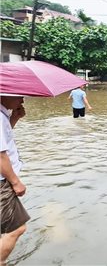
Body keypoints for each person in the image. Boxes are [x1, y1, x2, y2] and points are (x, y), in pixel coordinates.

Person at [0, 96, 30, 264]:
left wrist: (14, 119)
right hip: (2, 181)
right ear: (4, 93)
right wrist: (15, 182)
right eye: (19, 96)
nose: (22, 101)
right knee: (17, 228)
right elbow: (0, 155)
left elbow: (3, 139)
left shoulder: (3, 115)